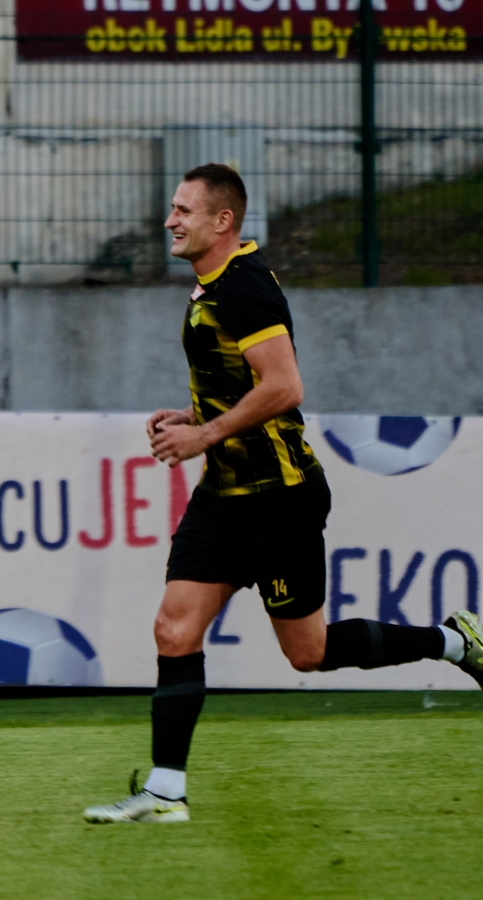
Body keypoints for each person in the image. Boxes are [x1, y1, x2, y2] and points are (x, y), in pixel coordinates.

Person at [83, 164, 483, 825]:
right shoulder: (212, 286)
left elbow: (285, 386)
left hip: (278, 497)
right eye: (172, 208)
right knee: (174, 628)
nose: (169, 220)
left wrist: (204, 433)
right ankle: (164, 793)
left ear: (223, 221)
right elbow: (244, 384)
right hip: (224, 495)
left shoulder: (244, 288)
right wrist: (194, 417)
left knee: (308, 652)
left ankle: (455, 641)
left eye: (183, 210)